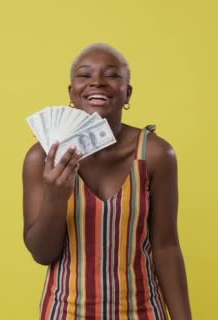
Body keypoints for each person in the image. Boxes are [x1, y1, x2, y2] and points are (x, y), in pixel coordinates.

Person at [23, 43, 192, 319]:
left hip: (143, 312)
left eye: (112, 75)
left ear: (128, 92)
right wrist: (54, 198)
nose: (97, 82)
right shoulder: (41, 158)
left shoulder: (157, 154)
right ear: (71, 92)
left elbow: (167, 247)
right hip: (64, 312)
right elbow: (42, 254)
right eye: (85, 75)